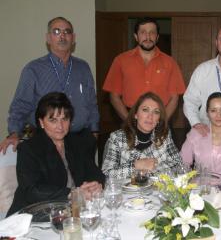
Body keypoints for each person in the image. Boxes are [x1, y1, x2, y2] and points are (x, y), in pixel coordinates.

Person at [0, 17, 99, 154]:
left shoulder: (83, 67)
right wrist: (14, 133)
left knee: (85, 176)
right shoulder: (33, 69)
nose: (62, 36)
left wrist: (94, 131)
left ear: (73, 38)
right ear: (48, 38)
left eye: (67, 32)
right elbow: (20, 106)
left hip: (80, 140)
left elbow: (91, 103)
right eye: (57, 31)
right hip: (45, 142)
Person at [7, 92, 105, 216]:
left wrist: (95, 185)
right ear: (41, 122)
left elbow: (95, 172)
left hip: (72, 212)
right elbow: (32, 190)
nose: (60, 126)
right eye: (53, 120)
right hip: (34, 215)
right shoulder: (29, 148)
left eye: (64, 119)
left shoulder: (77, 143)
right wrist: (72, 193)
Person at [103, 17, 185, 121]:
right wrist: (129, 121)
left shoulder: (170, 63)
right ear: (136, 36)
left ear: (157, 37)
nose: (148, 36)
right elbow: (114, 96)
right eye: (143, 32)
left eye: (152, 33)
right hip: (129, 118)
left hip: (161, 118)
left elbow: (174, 98)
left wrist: (162, 123)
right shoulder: (120, 61)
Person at [102, 92, 183, 178]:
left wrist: (153, 167)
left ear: (159, 119)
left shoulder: (163, 135)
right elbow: (107, 173)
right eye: (145, 110)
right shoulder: (117, 138)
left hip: (157, 190)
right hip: (128, 191)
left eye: (156, 112)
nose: (150, 116)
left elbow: (178, 165)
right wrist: (136, 166)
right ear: (136, 114)